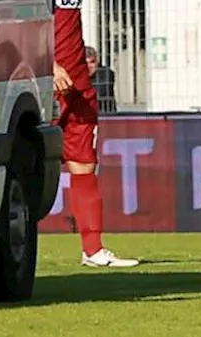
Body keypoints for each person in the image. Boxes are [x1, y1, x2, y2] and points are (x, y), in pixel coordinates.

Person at [52, 0, 138, 268]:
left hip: (77, 85)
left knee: (84, 165)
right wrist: (48, 63)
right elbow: (14, 24)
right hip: (46, 78)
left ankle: (93, 249)